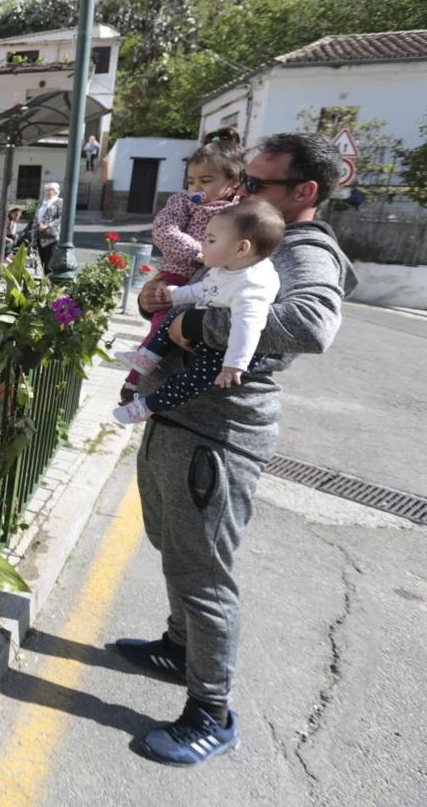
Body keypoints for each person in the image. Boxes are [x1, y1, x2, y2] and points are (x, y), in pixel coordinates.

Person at [118, 132, 357, 767]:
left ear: (305, 192)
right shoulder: (244, 228)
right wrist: (158, 301)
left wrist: (195, 324)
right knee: (174, 547)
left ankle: (211, 711)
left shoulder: (304, 250)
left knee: (203, 574)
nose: (237, 190)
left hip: (216, 437)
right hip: (178, 419)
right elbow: (201, 285)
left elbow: (309, 325)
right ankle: (178, 647)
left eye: (255, 183)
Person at [112, 198, 284, 424]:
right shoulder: (228, 268)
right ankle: (147, 357)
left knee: (192, 381)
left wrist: (235, 364)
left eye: (211, 240)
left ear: (241, 248)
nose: (202, 244)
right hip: (205, 332)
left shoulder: (252, 287)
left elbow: (247, 328)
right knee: (175, 312)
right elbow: (204, 288)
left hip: (224, 352)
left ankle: (147, 406)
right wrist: (175, 295)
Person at [120, 128, 245, 404]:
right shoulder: (183, 202)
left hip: (213, 284)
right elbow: (164, 229)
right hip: (176, 273)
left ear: (234, 181)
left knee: (185, 337)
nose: (196, 188)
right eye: (191, 181)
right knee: (161, 327)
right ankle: (133, 381)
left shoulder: (243, 210)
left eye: (206, 180)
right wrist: (201, 252)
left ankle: (165, 388)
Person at [34, 183, 63, 275]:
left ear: (55, 191)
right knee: (43, 261)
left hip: (52, 236)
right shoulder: (42, 202)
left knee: (50, 262)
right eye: (47, 190)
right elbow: (36, 217)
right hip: (40, 235)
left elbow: (61, 218)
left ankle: (51, 283)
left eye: (50, 190)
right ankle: (45, 281)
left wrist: (48, 225)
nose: (48, 192)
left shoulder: (59, 201)